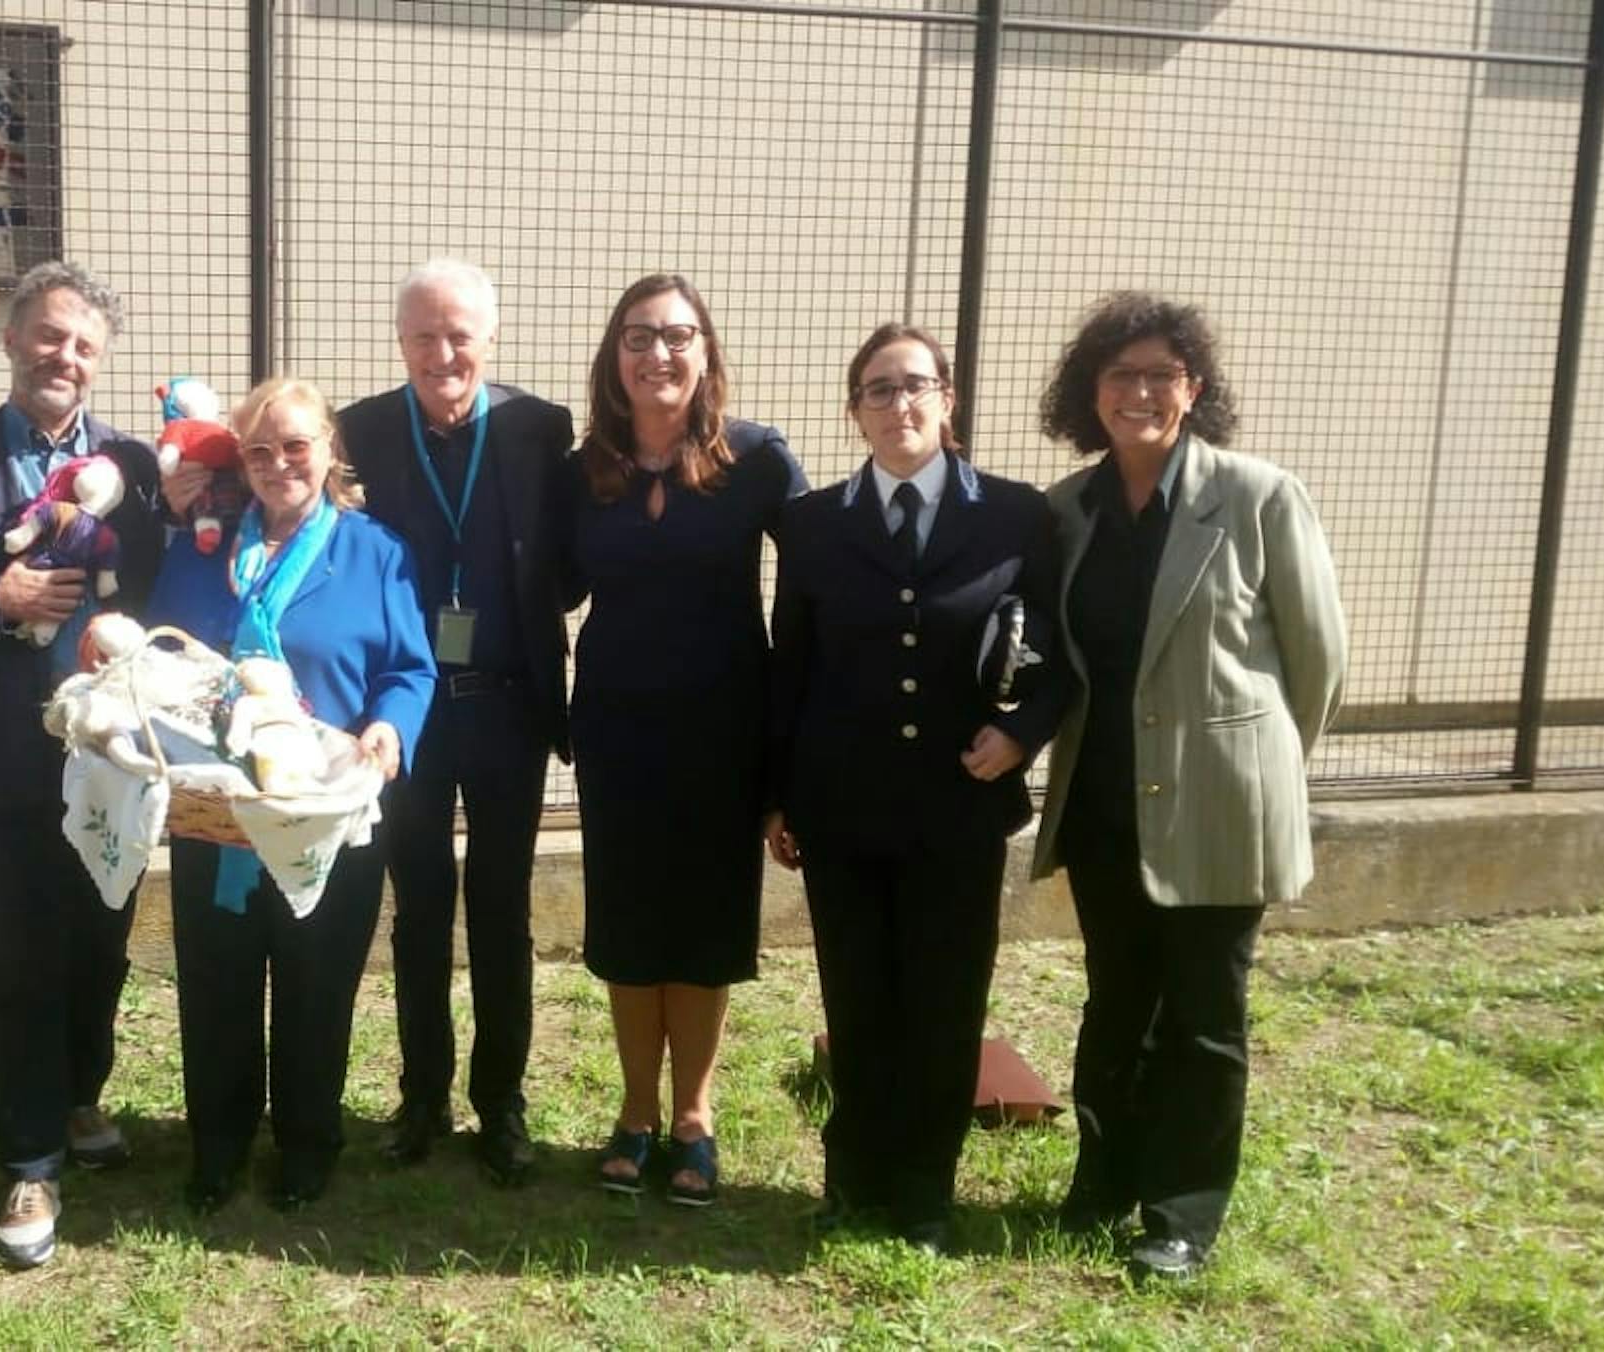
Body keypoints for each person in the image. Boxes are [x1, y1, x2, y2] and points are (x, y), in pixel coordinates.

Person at [1031, 292, 1347, 1280]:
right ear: (1093, 392)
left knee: (1206, 1016)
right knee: (1115, 1000)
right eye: (1120, 374)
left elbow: (1317, 658)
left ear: (1193, 389)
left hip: (1217, 800)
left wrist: (1258, 770)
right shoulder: (1067, 511)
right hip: (1105, 798)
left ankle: (1183, 1211)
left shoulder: (1256, 496)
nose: (1140, 391)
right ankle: (1103, 1180)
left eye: (1161, 374)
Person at [763, 324, 1073, 1253]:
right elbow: (792, 669)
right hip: (842, 807)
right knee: (857, 998)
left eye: (916, 387)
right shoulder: (813, 525)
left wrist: (1020, 734)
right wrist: (776, 798)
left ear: (948, 400)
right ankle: (854, 1176)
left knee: (944, 1001)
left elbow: (1062, 652)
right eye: (878, 390)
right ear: (855, 410)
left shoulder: (1019, 517)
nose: (899, 406)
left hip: (958, 806)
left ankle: (925, 1191)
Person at [0, 261, 164, 1270]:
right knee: (25, 951)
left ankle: (81, 1091)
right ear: (12, 340)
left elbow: (165, 579)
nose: (67, 357)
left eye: (86, 344)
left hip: (118, 751)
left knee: (103, 939)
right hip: (11, 755)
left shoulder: (135, 469)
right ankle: (29, 1152)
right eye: (51, 336)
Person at [152, 377, 435, 1213]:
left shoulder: (375, 551)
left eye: (298, 445)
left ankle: (308, 1142)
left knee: (317, 983)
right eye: (260, 450)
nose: (280, 464)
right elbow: (161, 663)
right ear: (239, 459)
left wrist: (390, 728)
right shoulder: (199, 552)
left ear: (330, 450)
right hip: (218, 809)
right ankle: (219, 1144)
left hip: (326, 810)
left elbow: (409, 669)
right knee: (216, 981)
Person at [558, 273, 807, 1207]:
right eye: (637, 337)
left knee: (703, 926)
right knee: (628, 925)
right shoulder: (584, 470)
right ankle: (634, 1112)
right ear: (612, 358)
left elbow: (824, 572)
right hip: (618, 729)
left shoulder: (758, 462)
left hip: (723, 733)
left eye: (676, 336)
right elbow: (543, 583)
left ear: (706, 354)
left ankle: (694, 1117)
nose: (657, 354)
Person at [338, 260, 575, 1185]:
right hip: (407, 713)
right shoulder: (359, 431)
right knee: (420, 908)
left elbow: (566, 557)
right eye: (424, 336)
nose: (444, 353)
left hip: (508, 706)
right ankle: (423, 1094)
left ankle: (502, 1102)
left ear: (491, 337)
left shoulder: (538, 428)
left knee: (503, 912)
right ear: (402, 343)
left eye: (460, 334)